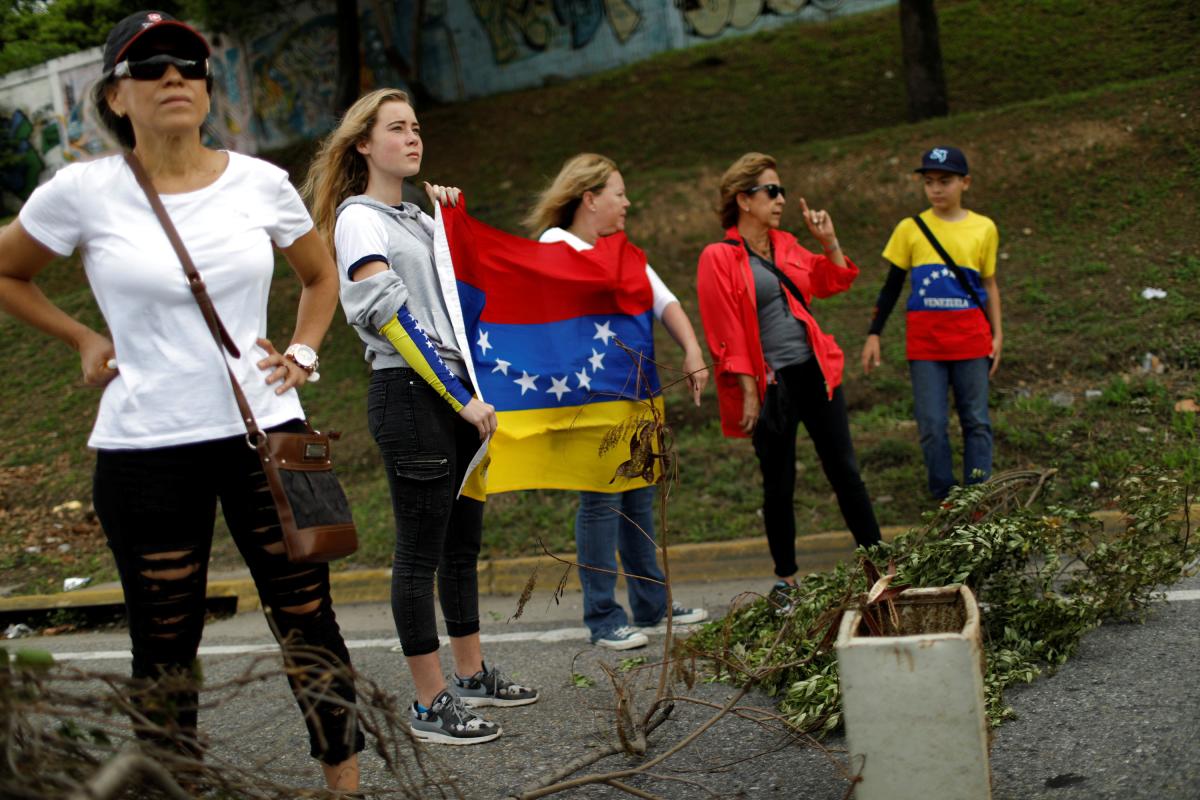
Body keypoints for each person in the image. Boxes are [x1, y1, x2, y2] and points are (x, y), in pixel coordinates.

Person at [0, 11, 362, 789]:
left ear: (206, 88)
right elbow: (7, 270)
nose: (174, 76)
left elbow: (320, 276)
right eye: (151, 65)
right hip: (145, 450)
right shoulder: (81, 192)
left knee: (310, 623)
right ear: (115, 96)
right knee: (164, 646)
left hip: (271, 434)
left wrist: (301, 351)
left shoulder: (260, 183)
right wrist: (84, 340)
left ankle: (347, 786)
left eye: (190, 65)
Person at [302, 88, 538, 746]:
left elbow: (461, 302)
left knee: (462, 546)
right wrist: (457, 397)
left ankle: (470, 674)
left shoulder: (419, 218)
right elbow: (390, 315)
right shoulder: (358, 220)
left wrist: (454, 222)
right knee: (418, 554)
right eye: (397, 128)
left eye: (416, 128)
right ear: (363, 145)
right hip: (411, 394)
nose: (413, 138)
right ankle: (429, 703)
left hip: (461, 397)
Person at [523, 153, 710, 651]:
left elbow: (663, 300)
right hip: (590, 397)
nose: (627, 203)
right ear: (590, 199)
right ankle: (603, 616)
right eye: (618, 193)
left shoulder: (625, 254)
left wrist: (691, 348)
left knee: (638, 499)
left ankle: (651, 605)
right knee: (601, 502)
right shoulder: (554, 245)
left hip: (637, 393)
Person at [695, 152, 882, 602]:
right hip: (769, 385)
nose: (780, 199)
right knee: (778, 483)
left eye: (780, 191)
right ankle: (787, 579)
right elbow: (723, 329)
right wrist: (748, 390)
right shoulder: (719, 257)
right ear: (744, 198)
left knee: (845, 471)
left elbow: (832, 280)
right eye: (771, 191)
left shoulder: (787, 245)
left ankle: (880, 565)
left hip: (814, 372)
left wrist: (829, 240)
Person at [860, 146, 1002, 500]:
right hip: (925, 346)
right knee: (932, 426)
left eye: (946, 181)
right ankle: (945, 499)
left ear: (964, 183)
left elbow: (989, 284)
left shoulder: (983, 228)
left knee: (976, 422)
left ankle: (977, 499)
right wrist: (874, 333)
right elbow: (891, 285)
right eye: (929, 182)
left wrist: (998, 335)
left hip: (972, 339)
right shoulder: (910, 228)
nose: (937, 189)